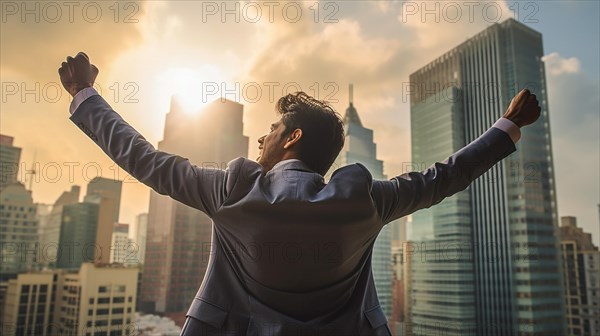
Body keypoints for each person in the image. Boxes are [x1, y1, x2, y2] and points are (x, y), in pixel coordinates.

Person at [59, 52, 540, 336]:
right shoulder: (364, 201)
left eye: (271, 129)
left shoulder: (231, 190)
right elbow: (444, 177)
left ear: (291, 138)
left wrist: (85, 94)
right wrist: (507, 126)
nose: (261, 138)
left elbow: (143, 158)